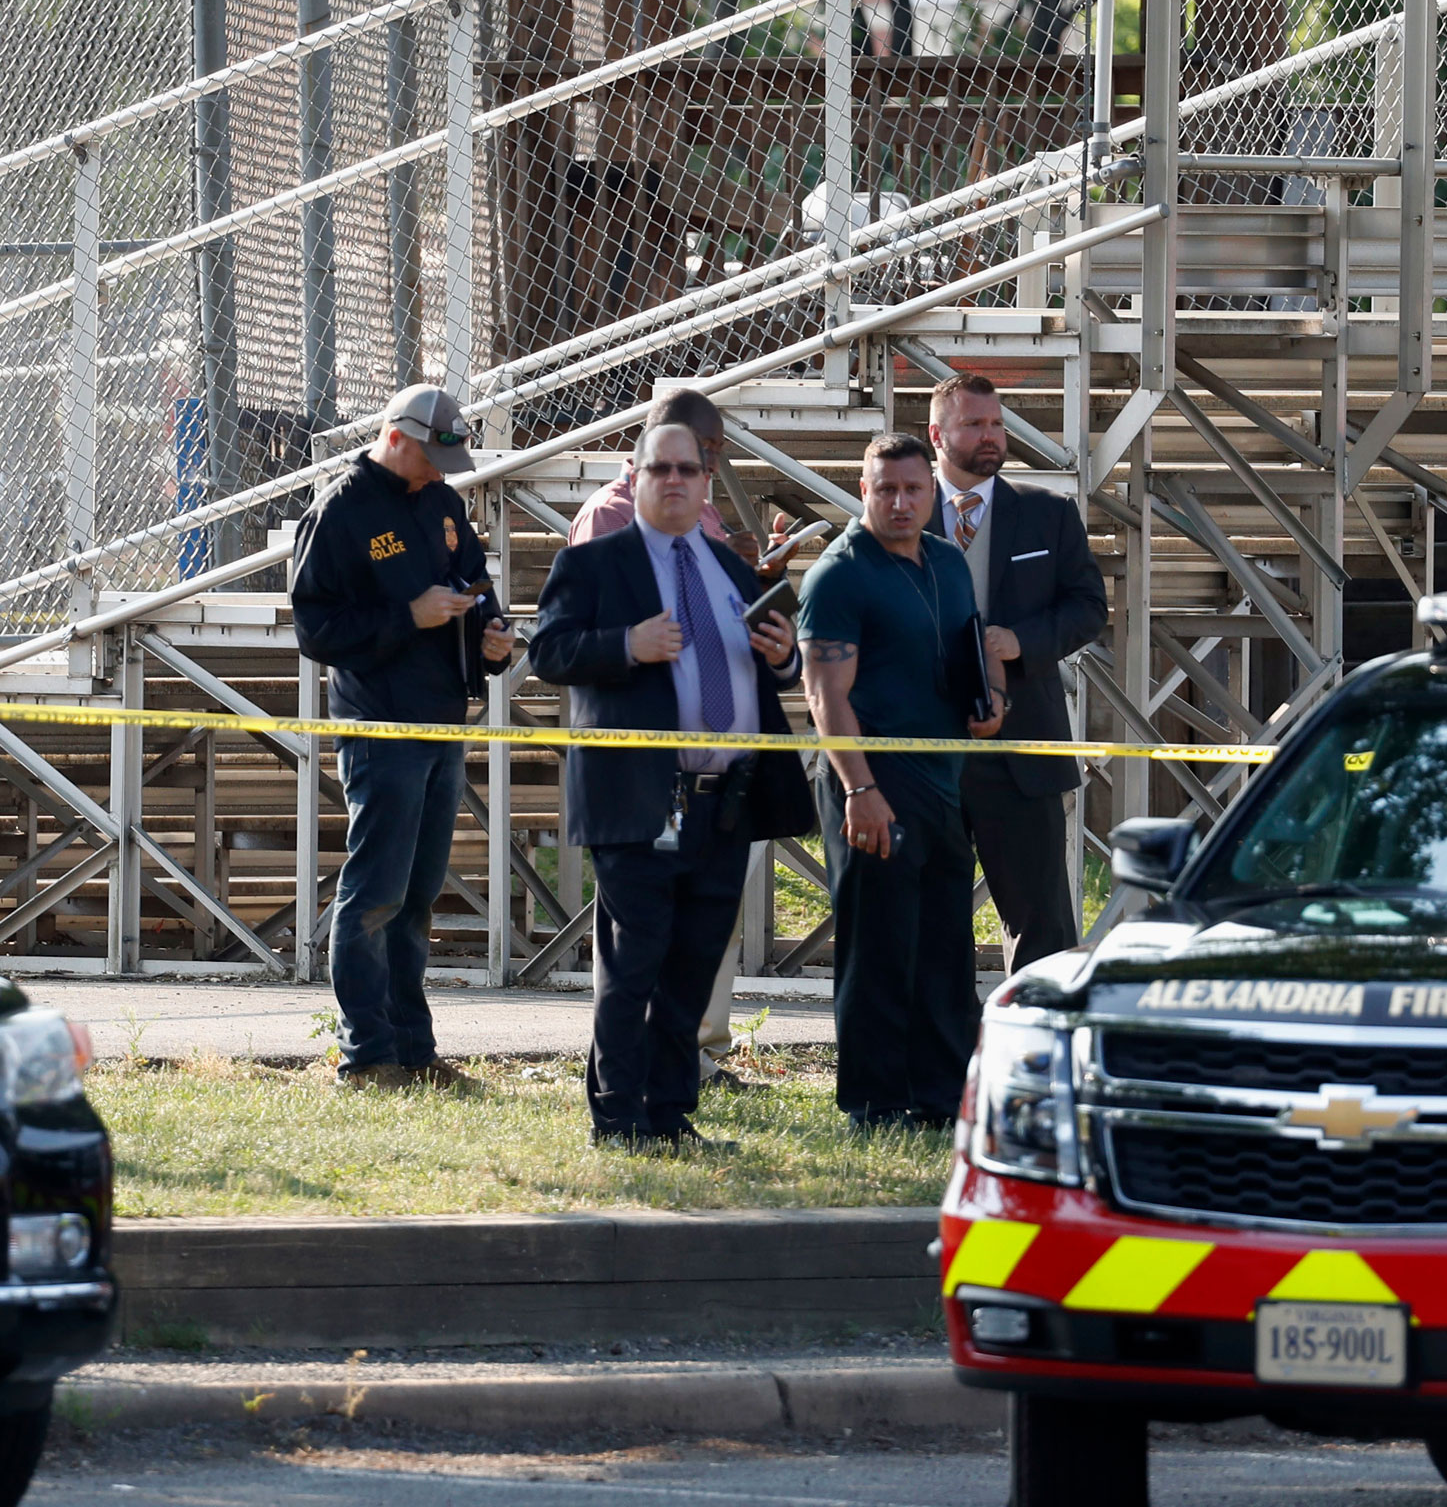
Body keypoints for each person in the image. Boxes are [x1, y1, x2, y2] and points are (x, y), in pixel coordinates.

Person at [529, 421, 813, 1148]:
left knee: (692, 966)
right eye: (662, 468)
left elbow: (765, 669)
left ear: (707, 477)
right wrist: (627, 644)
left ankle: (668, 1114)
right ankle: (617, 1118)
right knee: (636, 965)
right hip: (640, 801)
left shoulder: (728, 567)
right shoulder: (597, 564)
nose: (677, 480)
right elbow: (548, 651)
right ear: (636, 473)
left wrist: (783, 660)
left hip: (724, 804)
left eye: (690, 468)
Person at [290, 382, 514, 1091]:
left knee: (418, 892)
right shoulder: (340, 510)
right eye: (434, 454)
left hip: (444, 716)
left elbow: (474, 583)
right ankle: (365, 1056)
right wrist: (407, 618)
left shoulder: (445, 505)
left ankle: (413, 1052)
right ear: (397, 437)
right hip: (380, 724)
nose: (444, 468)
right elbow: (314, 628)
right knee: (377, 890)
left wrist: (493, 636)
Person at [799, 431, 1003, 1131]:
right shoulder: (840, 573)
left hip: (944, 781)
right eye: (885, 488)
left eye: (914, 489)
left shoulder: (948, 561)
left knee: (945, 946)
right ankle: (875, 1102)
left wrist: (992, 699)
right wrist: (860, 789)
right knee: (879, 945)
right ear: (864, 490)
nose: (900, 501)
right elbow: (825, 694)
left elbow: (973, 648)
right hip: (872, 778)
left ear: (931, 492)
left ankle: (944, 1097)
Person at [927, 373, 1109, 974]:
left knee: (1043, 927)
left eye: (997, 423)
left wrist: (1020, 642)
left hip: (1023, 752)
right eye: (974, 424)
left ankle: (1038, 1051)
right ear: (937, 434)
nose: (991, 436)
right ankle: (942, 1060)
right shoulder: (899, 511)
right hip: (924, 752)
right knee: (928, 924)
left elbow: (1089, 609)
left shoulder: (1047, 514)